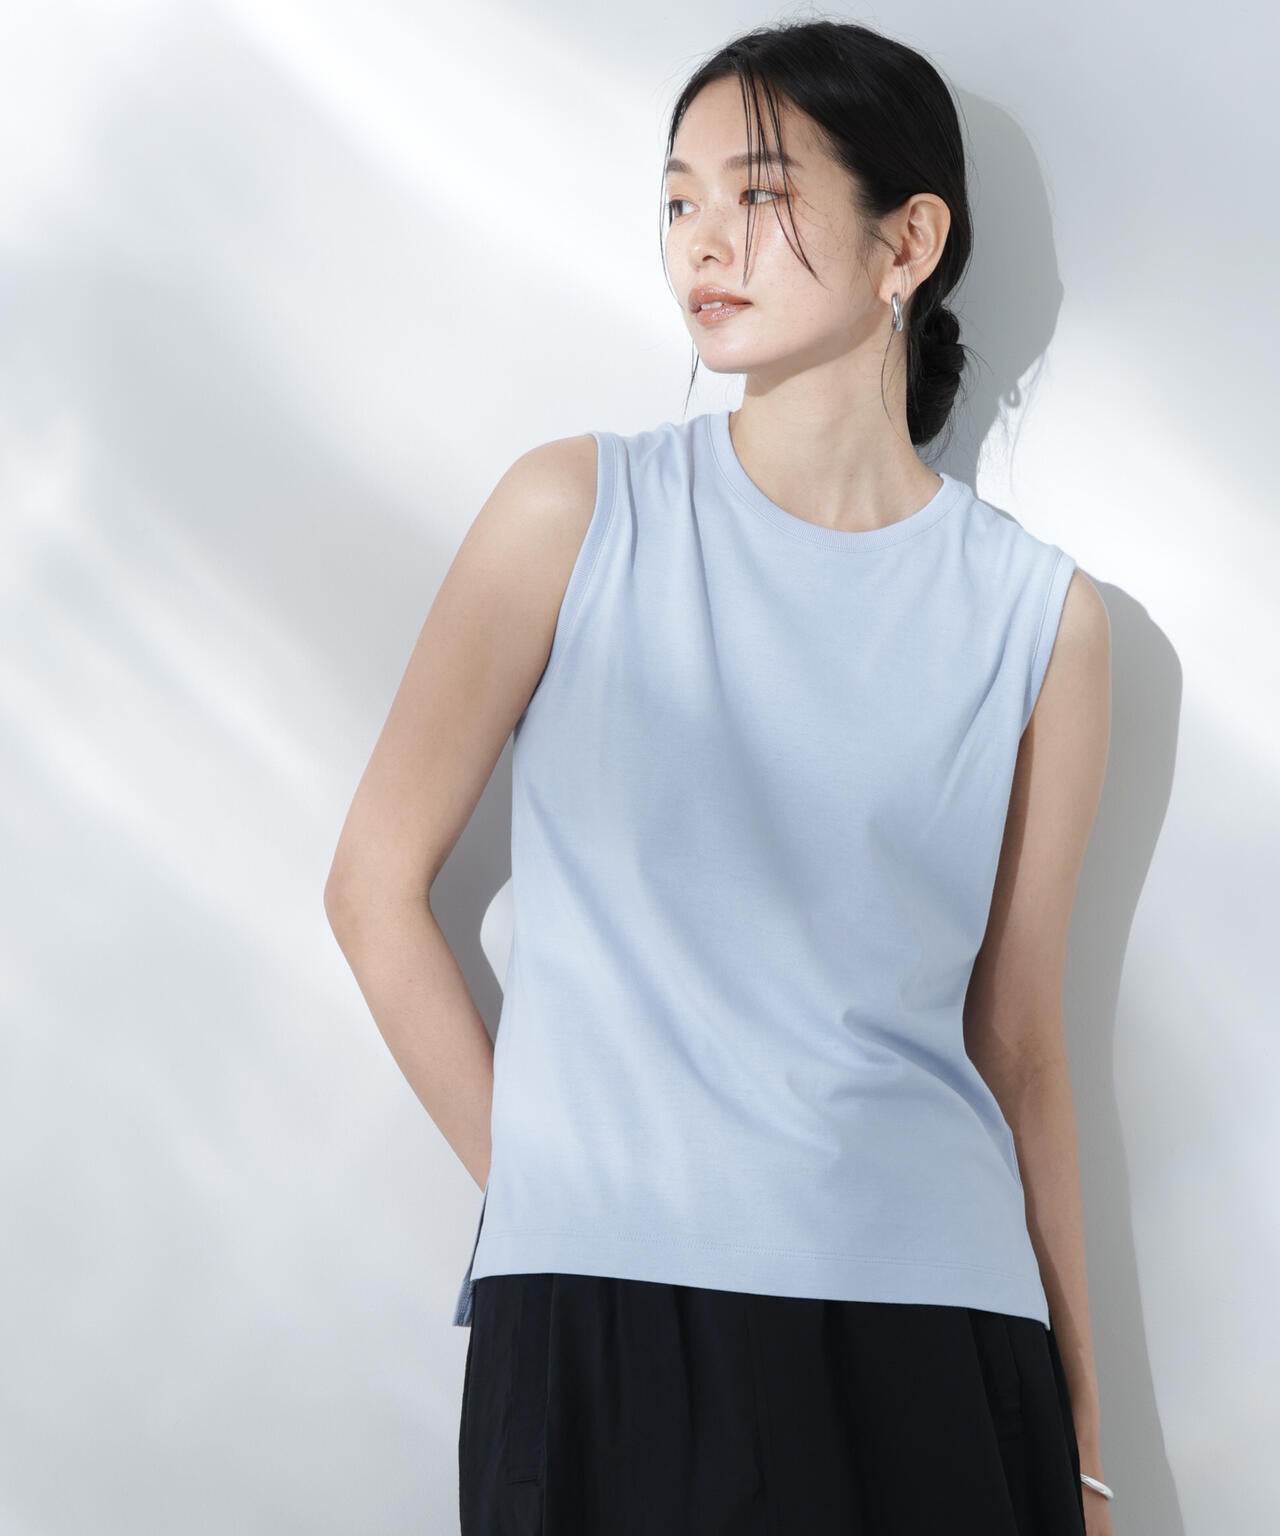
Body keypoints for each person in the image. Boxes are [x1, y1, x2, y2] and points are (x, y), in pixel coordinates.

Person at [324, 18, 1115, 1535]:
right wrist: (558, 1197)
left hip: (937, 1333)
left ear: (908, 244)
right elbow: (372, 890)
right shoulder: (574, 512)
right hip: (609, 1321)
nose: (702, 239)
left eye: (756, 193)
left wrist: (1080, 1449)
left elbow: (1021, 1046)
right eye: (677, 199)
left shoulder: (1041, 620)